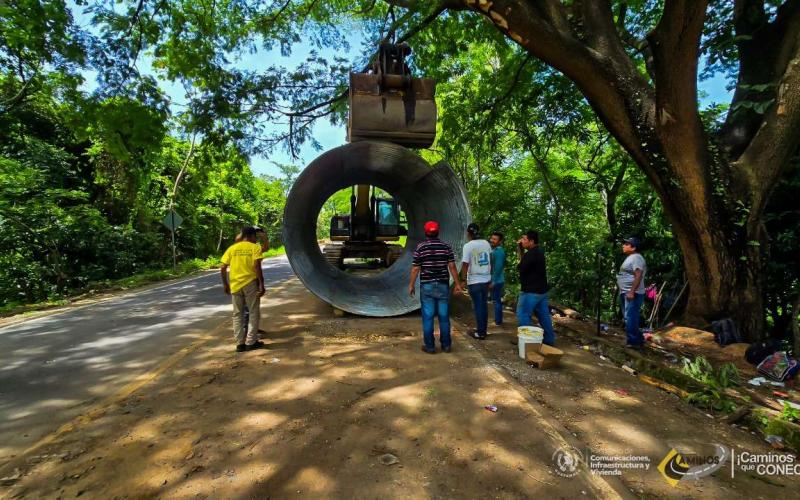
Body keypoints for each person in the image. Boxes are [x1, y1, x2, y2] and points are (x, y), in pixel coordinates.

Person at [408, 220, 463, 354]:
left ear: (425, 232)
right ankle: (446, 345)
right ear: (438, 232)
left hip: (427, 286)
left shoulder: (421, 247)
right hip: (443, 285)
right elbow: (452, 266)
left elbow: (416, 268)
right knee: (444, 316)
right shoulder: (446, 247)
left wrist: (411, 285)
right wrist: (458, 283)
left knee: (428, 317)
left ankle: (430, 347)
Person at [220, 226, 266, 352]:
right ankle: (251, 341)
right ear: (252, 236)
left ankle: (240, 344)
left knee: (237, 314)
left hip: (235, 284)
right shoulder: (254, 247)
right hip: (250, 283)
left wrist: (225, 284)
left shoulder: (232, 248)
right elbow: (257, 266)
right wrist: (261, 284)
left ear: (242, 235)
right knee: (253, 312)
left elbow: (223, 267)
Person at [516, 230, 556, 346]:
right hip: (541, 292)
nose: (522, 241)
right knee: (544, 316)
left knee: (523, 314)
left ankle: (527, 342)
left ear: (531, 241)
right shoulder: (539, 252)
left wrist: (520, 250)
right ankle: (549, 340)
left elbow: (521, 267)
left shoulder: (531, 254)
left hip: (530, 292)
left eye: (524, 239)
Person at [234, 228, 270, 338]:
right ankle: (248, 334)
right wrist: (261, 284)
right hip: (248, 282)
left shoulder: (252, 248)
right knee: (249, 310)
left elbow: (266, 248)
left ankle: (249, 332)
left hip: (237, 282)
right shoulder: (240, 247)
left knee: (245, 310)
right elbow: (257, 267)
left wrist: (263, 236)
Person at [461, 222, 492, 340]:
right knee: (483, 306)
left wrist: (463, 280)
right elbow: (491, 260)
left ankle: (480, 333)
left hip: (474, 281)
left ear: (468, 233)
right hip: (486, 280)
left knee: (478, 307)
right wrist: (490, 276)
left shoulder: (468, 246)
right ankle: (483, 330)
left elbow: (465, 264)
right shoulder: (486, 243)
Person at [617, 236, 647, 348]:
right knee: (628, 317)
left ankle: (634, 342)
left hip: (633, 293)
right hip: (626, 292)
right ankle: (638, 339)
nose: (623, 245)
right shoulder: (631, 257)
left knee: (630, 317)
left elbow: (638, 275)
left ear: (633, 247)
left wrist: (631, 291)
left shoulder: (636, 258)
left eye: (626, 244)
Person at [489, 231, 506, 326]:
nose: (492, 240)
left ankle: (498, 321)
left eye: (495, 239)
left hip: (497, 280)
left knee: (496, 300)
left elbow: (499, 267)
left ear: (500, 241)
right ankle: (498, 320)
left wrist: (493, 281)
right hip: (497, 279)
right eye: (492, 238)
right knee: (496, 300)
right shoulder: (494, 250)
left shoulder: (499, 252)